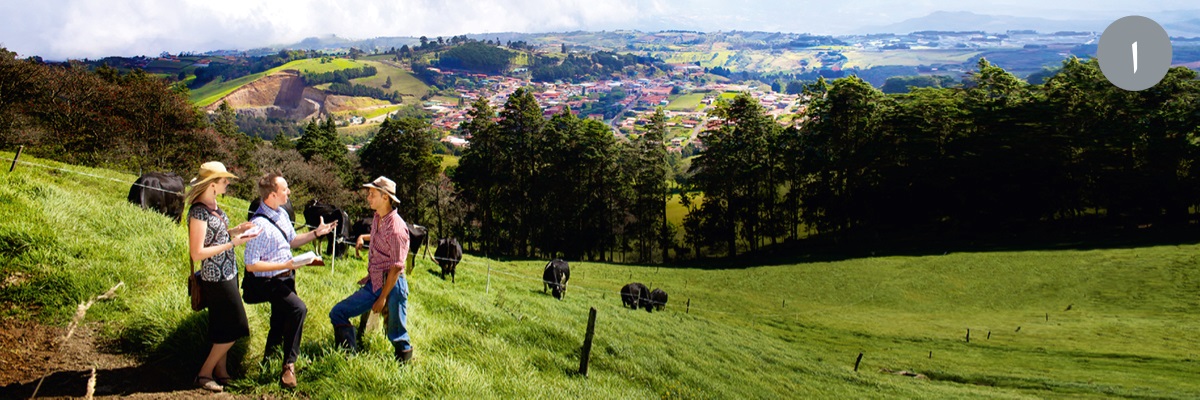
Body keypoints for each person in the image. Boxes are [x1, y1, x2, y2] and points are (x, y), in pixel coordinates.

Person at [243, 172, 337, 389]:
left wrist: (316, 233)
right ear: (273, 195)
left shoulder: (281, 214)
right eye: (285, 189)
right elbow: (251, 265)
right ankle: (289, 366)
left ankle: (268, 361)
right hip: (269, 280)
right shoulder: (258, 224)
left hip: (286, 277)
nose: (289, 192)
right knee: (298, 310)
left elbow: (292, 241)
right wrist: (286, 265)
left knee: (279, 319)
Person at [183, 161, 259, 393]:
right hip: (216, 277)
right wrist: (233, 242)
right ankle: (204, 373)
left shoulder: (212, 205)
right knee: (237, 327)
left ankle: (221, 372)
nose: (228, 183)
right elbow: (197, 252)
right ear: (212, 184)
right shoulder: (198, 212)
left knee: (221, 326)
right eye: (224, 180)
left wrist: (235, 231)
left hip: (228, 272)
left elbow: (214, 236)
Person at [330, 176, 413, 363]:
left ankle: (403, 368)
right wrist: (363, 237)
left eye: (372, 194)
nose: (368, 197)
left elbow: (397, 267)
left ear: (385, 197)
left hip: (393, 285)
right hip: (375, 281)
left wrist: (382, 298)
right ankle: (348, 356)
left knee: (397, 333)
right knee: (338, 312)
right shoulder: (378, 217)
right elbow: (380, 237)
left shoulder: (398, 229)